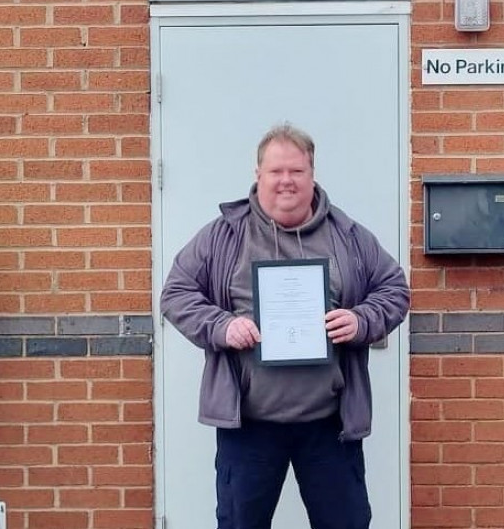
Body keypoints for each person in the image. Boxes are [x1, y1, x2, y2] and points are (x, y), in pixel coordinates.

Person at [160, 123, 410, 529]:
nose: (286, 181)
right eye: (276, 172)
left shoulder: (348, 236)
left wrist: (362, 319)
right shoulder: (224, 235)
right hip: (250, 426)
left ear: (313, 175)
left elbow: (394, 288)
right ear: (258, 175)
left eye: (296, 171)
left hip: (329, 425)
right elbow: (176, 294)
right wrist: (221, 326)